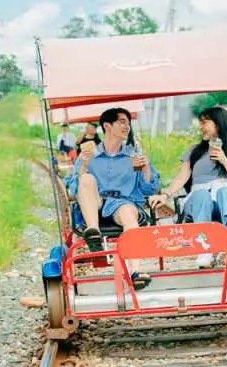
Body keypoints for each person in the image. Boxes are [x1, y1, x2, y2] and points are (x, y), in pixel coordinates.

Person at [149, 106, 227, 267]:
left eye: (204, 122)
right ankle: (204, 251)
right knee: (202, 195)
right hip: (200, 201)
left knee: (224, 190)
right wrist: (165, 195)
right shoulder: (194, 151)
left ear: (218, 124)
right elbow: (182, 177)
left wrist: (224, 160)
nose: (201, 127)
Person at [67, 107, 161, 289]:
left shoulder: (133, 155)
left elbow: (149, 189)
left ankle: (134, 271)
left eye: (128, 122)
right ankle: (93, 232)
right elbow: (74, 189)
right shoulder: (89, 154)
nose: (127, 126)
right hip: (95, 204)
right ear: (107, 126)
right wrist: (83, 166)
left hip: (123, 203)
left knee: (128, 214)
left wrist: (146, 167)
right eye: (122, 122)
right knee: (85, 178)